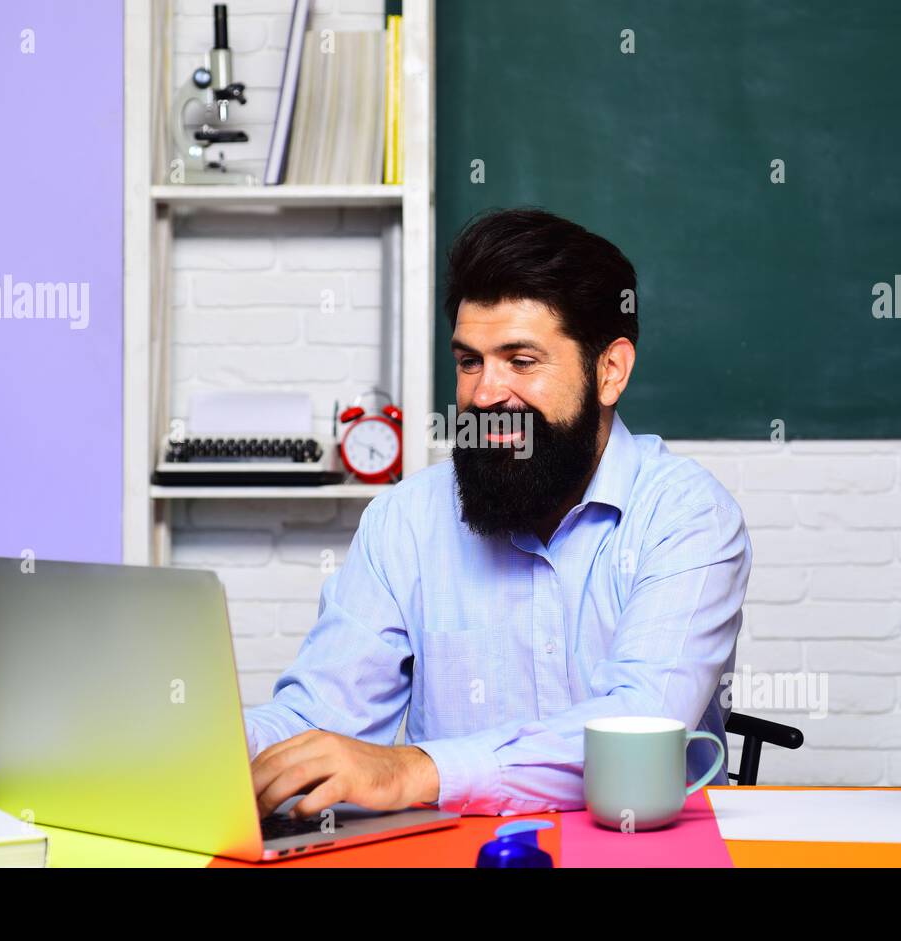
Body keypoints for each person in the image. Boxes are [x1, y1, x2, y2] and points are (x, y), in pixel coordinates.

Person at [247, 207, 751, 817]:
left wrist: (417, 770)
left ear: (610, 370)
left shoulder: (688, 516)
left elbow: (640, 726)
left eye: (521, 361)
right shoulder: (403, 520)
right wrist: (202, 750)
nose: (485, 395)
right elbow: (318, 717)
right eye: (469, 361)